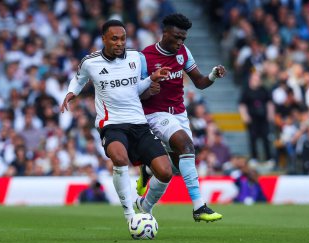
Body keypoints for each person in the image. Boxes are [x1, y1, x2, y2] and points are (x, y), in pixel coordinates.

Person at [61, 20, 173, 224]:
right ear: (103, 39)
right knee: (120, 159)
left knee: (166, 172)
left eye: (123, 38)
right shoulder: (90, 62)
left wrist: (151, 79)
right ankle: (130, 215)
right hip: (111, 124)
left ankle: (145, 206)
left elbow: (136, 89)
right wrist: (71, 93)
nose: (120, 43)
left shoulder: (136, 58)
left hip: (138, 123)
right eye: (114, 39)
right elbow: (78, 79)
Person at [135, 13, 224, 222]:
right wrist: (148, 90)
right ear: (164, 33)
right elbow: (134, 93)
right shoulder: (144, 57)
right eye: (176, 37)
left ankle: (144, 203)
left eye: (183, 38)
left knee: (171, 170)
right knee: (186, 146)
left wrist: (213, 75)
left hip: (179, 115)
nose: (180, 42)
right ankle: (199, 206)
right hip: (155, 115)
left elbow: (200, 82)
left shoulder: (183, 53)